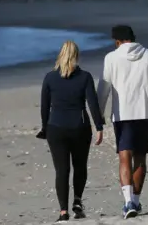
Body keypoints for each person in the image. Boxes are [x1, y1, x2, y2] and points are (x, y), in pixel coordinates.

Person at [97, 25, 148, 219]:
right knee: (140, 158)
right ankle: (136, 201)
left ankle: (128, 202)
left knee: (125, 158)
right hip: (145, 114)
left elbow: (103, 89)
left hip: (122, 115)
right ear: (133, 38)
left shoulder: (111, 58)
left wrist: (98, 116)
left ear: (117, 41)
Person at [37, 41, 104, 223]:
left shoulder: (50, 78)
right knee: (80, 166)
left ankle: (63, 212)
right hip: (80, 128)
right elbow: (92, 103)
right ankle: (77, 201)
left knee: (62, 170)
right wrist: (99, 126)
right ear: (77, 56)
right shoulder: (85, 77)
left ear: (60, 55)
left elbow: (44, 107)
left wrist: (45, 128)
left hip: (56, 128)